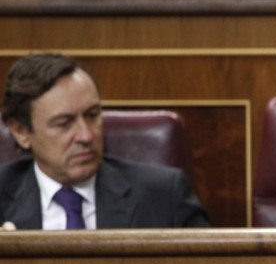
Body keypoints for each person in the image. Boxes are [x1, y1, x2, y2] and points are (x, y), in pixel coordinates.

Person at [0, 53, 209, 229]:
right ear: (20, 131)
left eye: (92, 115)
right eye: (64, 123)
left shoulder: (164, 196)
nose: (86, 136)